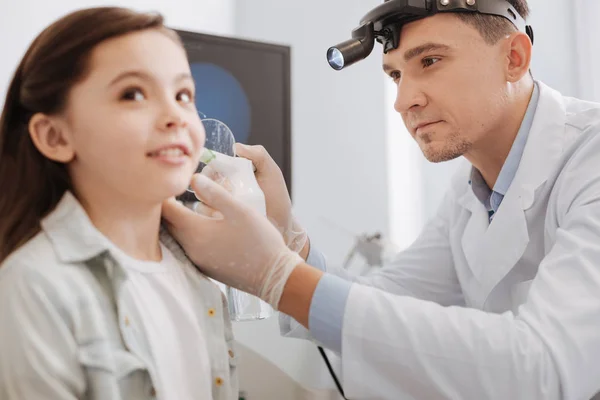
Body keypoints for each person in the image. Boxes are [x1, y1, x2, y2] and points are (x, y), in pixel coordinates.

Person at [162, 0, 600, 398]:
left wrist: (275, 276)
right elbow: (385, 300)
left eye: (430, 60)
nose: (404, 100)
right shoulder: (471, 192)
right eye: (395, 75)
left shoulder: (590, 159)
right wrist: (287, 238)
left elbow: (548, 369)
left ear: (514, 57)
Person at [0, 7, 237, 400]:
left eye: (183, 95)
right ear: (56, 136)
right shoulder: (33, 287)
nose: (175, 116)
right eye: (133, 94)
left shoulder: (199, 279)